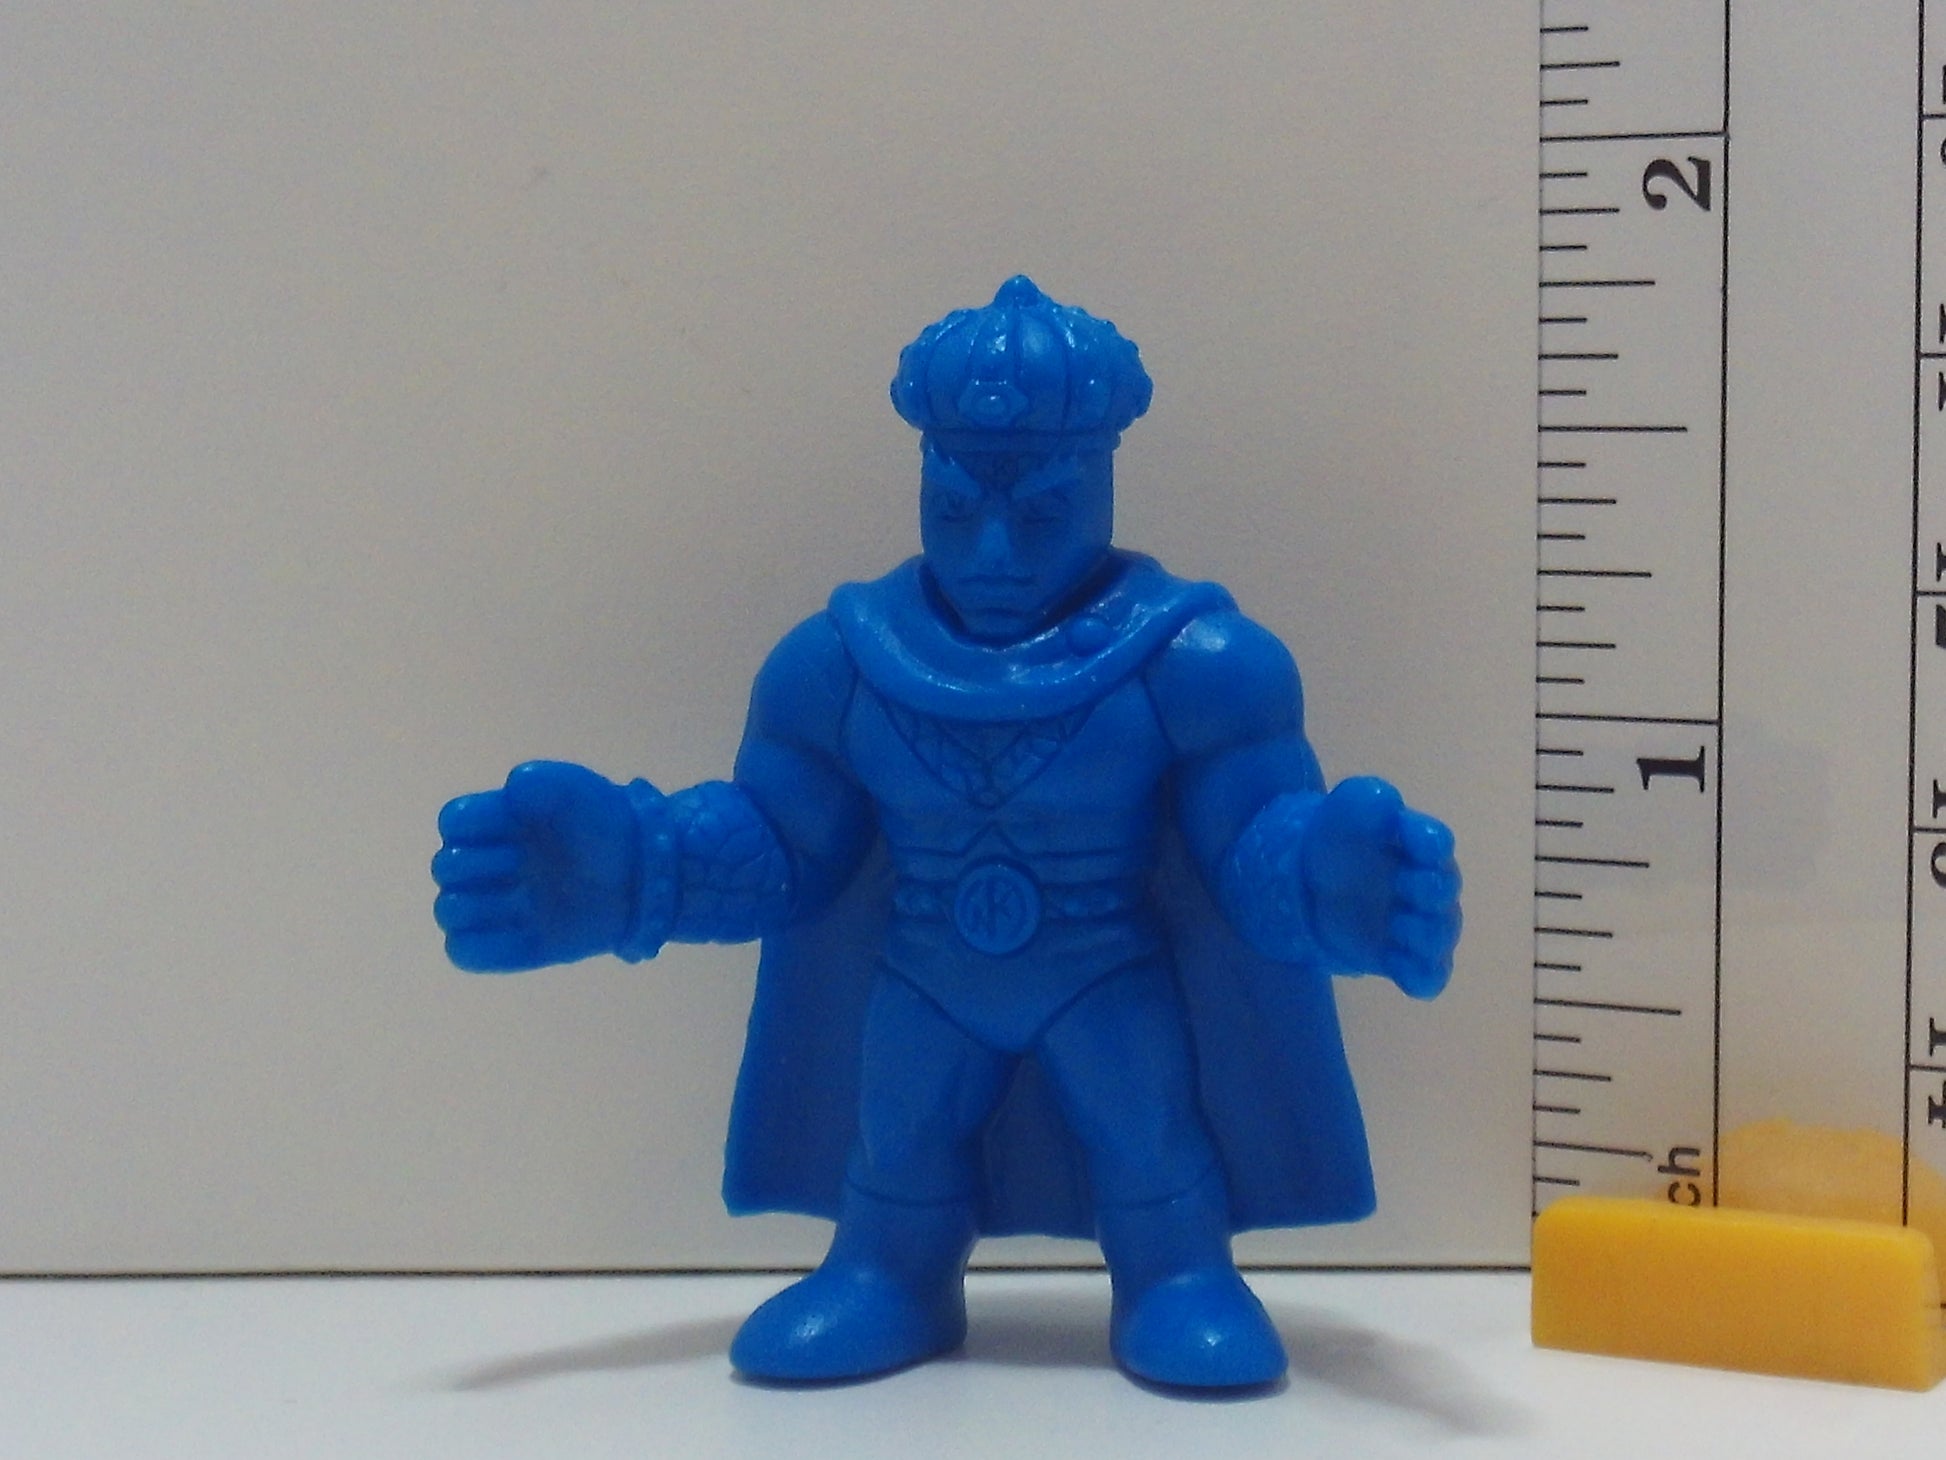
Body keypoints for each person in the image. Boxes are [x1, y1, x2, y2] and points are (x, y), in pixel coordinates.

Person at [431, 277, 1461, 1390]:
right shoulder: (841, 663)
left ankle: (1174, 1275)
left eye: (1042, 513)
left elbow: (1241, 844)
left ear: (1102, 485)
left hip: (1101, 965)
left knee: (1149, 1137)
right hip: (926, 972)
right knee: (897, 1142)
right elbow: (788, 848)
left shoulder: (1195, 664)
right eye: (957, 508)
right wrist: (645, 866)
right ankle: (890, 1275)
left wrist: (1319, 879)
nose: (995, 552)